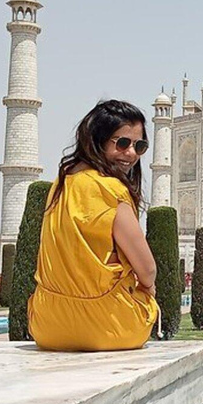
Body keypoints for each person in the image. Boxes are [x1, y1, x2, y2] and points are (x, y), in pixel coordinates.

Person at [28, 100, 160, 351]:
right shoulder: (111, 190)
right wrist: (148, 290)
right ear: (97, 141)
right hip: (110, 327)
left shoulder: (60, 185)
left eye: (139, 146)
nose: (131, 153)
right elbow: (148, 269)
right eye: (122, 143)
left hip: (47, 327)